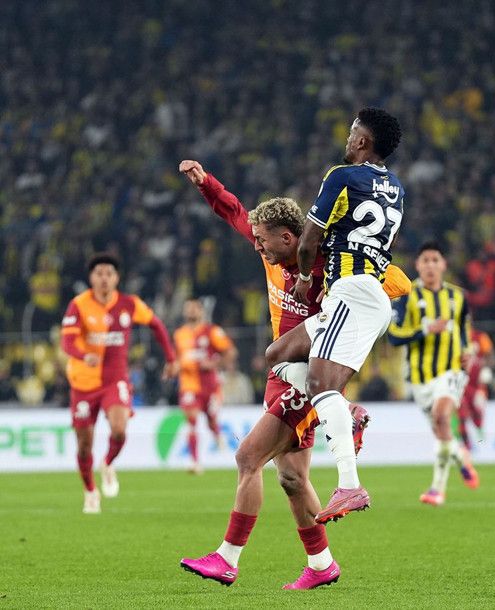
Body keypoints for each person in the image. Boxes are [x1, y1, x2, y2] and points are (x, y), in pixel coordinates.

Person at [177, 159, 409, 589]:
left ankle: (227, 558)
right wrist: (206, 182)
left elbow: (394, 280)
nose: (257, 248)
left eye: (263, 241)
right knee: (291, 478)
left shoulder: (330, 262)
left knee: (248, 458)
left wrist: (373, 286)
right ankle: (321, 565)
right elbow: (233, 211)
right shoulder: (272, 252)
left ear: (288, 237)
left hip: (307, 373)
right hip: (284, 374)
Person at [265, 107, 404, 524]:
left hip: (352, 293)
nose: (347, 138)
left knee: (319, 384)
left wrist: (306, 278)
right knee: (277, 355)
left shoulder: (341, 176)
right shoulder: (397, 188)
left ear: (362, 141)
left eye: (351, 132)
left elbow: (309, 240)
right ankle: (348, 411)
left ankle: (349, 485)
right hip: (365, 292)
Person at [60, 254, 178, 514]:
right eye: (99, 273)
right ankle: (90, 491)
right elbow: (66, 342)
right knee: (84, 445)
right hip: (83, 383)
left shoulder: (129, 304)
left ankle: (107, 463)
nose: (104, 278)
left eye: (109, 273)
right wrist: (83, 355)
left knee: (119, 430)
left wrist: (171, 358)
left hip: (115, 380)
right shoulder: (78, 305)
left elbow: (157, 325)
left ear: (116, 278)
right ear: (91, 278)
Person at [386, 242, 479, 506]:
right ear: (417, 265)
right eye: (425, 260)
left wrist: (469, 352)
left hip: (451, 371)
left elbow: (465, 333)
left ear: (443, 265)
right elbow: (393, 336)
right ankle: (460, 455)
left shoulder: (457, 297)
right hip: (419, 377)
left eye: (435, 260)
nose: (430, 265)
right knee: (441, 430)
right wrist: (425, 330)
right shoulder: (406, 295)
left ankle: (437, 490)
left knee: (441, 416)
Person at [173, 299, 237, 474]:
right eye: (188, 308)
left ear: (201, 311)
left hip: (210, 387)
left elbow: (231, 352)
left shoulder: (212, 331)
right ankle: (194, 462)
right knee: (191, 420)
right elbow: (177, 358)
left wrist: (214, 364)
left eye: (194, 308)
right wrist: (174, 367)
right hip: (189, 385)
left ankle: (217, 435)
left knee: (211, 421)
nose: (191, 311)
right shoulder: (179, 334)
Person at [457, 328, 494, 450]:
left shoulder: (480, 337)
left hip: (477, 385)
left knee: (477, 412)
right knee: (461, 415)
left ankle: (480, 434)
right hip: (460, 385)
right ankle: (466, 445)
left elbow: (490, 355)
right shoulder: (454, 336)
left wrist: (486, 369)